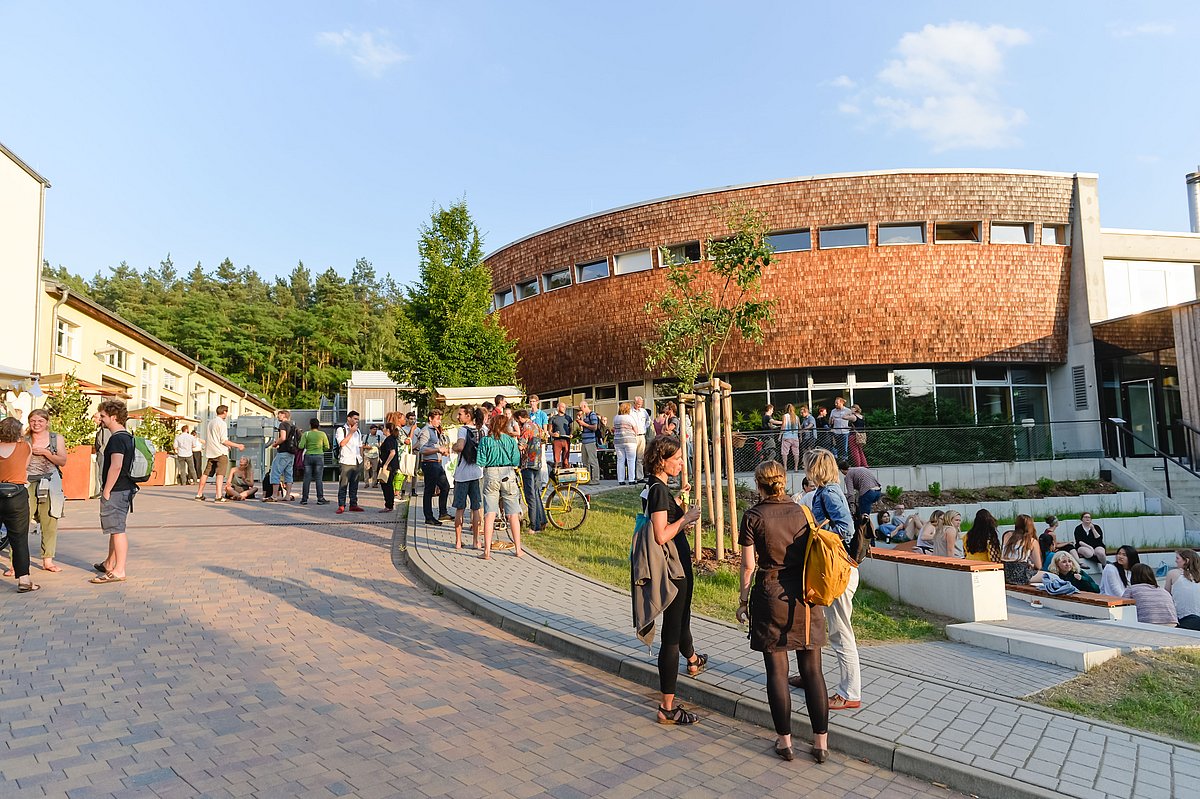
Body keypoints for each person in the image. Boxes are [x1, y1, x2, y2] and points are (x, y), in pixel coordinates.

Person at [737, 460, 829, 763]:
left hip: (771, 595)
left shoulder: (752, 516)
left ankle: (785, 742)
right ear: (784, 480)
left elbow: (749, 565)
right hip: (805, 596)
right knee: (813, 671)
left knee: (777, 672)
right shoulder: (803, 511)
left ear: (759, 484)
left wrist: (742, 599)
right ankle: (820, 744)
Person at [638, 435, 704, 724]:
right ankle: (667, 707)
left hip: (675, 566)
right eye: (676, 458)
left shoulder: (656, 488)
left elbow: (657, 514)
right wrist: (687, 517)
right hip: (673, 570)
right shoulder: (658, 491)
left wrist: (676, 501)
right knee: (672, 635)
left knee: (679, 625)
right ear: (661, 460)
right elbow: (661, 533)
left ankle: (692, 661)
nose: (681, 462)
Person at [792, 448, 860, 711]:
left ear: (816, 469)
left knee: (841, 631)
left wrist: (817, 531)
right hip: (830, 569)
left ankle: (849, 693)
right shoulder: (824, 491)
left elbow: (846, 528)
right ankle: (811, 676)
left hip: (837, 571)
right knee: (821, 625)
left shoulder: (830, 492)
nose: (805, 470)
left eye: (809, 466)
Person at [92, 400, 136, 585]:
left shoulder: (117, 438)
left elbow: (116, 466)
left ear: (113, 417)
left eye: (102, 416)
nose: (100, 419)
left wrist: (107, 490)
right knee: (114, 528)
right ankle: (110, 563)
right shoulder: (128, 436)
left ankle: (119, 570)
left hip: (117, 490)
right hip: (126, 488)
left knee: (118, 530)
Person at [24, 408, 67, 573]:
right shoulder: (24, 439)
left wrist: (45, 453)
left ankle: (48, 560)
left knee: (50, 520)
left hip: (50, 481)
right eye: (33, 421)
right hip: (27, 482)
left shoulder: (56, 439)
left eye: (40, 421)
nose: (36, 424)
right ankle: (16, 562)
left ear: (47, 422)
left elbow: (62, 461)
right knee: (21, 521)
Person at [478, 412, 523, 560]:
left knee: (489, 514)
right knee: (512, 514)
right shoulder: (510, 441)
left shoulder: (485, 441)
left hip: (491, 474)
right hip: (507, 473)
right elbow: (516, 460)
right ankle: (518, 549)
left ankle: (487, 552)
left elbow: (481, 461)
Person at [0, 416, 38, 592]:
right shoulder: (25, 447)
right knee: (19, 539)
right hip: (16, 496)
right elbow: (25, 466)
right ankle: (24, 580)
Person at [195, 405, 245, 503]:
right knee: (220, 474)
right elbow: (223, 440)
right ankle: (218, 496)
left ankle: (199, 494)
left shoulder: (211, 423)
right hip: (220, 453)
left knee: (206, 473)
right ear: (225, 412)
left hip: (211, 452)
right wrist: (237, 445)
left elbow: (213, 438)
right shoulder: (221, 424)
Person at [451, 406, 484, 548]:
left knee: (460, 508)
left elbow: (460, 447)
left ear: (468, 416)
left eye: (460, 414)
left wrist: (452, 447)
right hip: (477, 472)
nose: (458, 417)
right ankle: (476, 541)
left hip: (462, 474)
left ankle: (458, 541)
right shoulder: (483, 430)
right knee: (476, 508)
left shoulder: (463, 430)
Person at [415, 410, 451, 525]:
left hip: (436, 462)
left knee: (445, 486)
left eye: (440, 419)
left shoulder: (435, 431)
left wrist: (442, 452)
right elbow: (422, 449)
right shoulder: (426, 431)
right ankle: (429, 517)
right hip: (430, 463)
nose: (439, 422)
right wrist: (437, 450)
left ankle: (443, 512)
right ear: (430, 419)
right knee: (429, 490)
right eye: (437, 419)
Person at [516, 409, 546, 534]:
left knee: (530, 496)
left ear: (520, 418)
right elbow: (544, 439)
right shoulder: (537, 426)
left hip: (528, 463)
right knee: (536, 493)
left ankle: (534, 526)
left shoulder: (526, 427)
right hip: (537, 462)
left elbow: (521, 445)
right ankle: (542, 520)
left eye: (518, 420)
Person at [335, 411, 366, 514]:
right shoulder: (341, 430)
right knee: (343, 484)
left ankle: (353, 504)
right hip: (346, 460)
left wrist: (361, 458)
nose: (356, 421)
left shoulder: (358, 431)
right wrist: (351, 432)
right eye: (354, 419)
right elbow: (342, 443)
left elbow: (360, 445)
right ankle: (341, 505)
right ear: (348, 418)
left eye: (357, 419)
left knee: (354, 484)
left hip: (356, 460)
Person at [1000, 514, 1043, 585]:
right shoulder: (1032, 541)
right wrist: (1031, 565)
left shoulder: (1006, 535)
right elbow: (1038, 566)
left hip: (1005, 574)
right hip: (1021, 574)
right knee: (1052, 577)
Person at [265, 409, 298, 502]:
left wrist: (276, 443)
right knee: (288, 474)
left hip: (283, 452)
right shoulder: (293, 425)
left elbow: (283, 437)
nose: (277, 417)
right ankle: (287, 496)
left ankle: (274, 495)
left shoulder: (283, 424)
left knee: (275, 472)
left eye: (279, 415)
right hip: (291, 453)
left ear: (283, 415)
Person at [1164, 549, 1200, 630]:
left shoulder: (1173, 574)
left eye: (1177, 558)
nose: (1175, 561)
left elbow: (1166, 596)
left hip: (1183, 619)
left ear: (1186, 561)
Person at [298, 418, 329, 505]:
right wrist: (320, 449)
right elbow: (327, 446)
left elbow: (300, 446)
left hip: (308, 456)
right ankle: (320, 498)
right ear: (318, 425)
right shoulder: (322, 434)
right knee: (318, 479)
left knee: (307, 478)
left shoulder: (306, 434)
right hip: (319, 456)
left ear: (310, 425)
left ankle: (304, 499)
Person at [612, 401, 640, 486]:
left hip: (618, 441)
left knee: (620, 460)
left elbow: (614, 428)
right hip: (630, 441)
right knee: (631, 460)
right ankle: (631, 479)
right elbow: (636, 430)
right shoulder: (629, 418)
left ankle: (621, 480)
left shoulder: (616, 418)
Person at [377, 422, 399, 513]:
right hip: (392, 465)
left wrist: (385, 464)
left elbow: (392, 452)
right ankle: (389, 504)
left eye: (385, 428)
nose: (383, 430)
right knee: (387, 485)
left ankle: (389, 505)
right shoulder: (392, 439)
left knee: (387, 485)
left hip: (389, 466)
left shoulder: (389, 439)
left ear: (388, 430)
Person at [631, 396, 652, 481]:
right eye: (638, 404)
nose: (639, 406)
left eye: (641, 404)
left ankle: (639, 476)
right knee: (632, 457)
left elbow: (648, 421)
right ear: (634, 403)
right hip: (633, 436)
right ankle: (631, 477)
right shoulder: (630, 412)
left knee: (640, 457)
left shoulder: (643, 412)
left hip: (642, 435)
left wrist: (645, 427)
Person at [578, 400, 600, 482]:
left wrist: (584, 424)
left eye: (581, 408)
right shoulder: (585, 416)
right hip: (584, 441)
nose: (580, 410)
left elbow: (594, 427)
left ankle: (595, 479)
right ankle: (586, 479)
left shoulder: (592, 415)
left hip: (590, 441)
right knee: (585, 461)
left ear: (584, 406)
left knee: (593, 460)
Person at [93, 411, 112, 498]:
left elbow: (105, 443)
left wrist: (101, 451)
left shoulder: (106, 429)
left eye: (95, 418)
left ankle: (103, 490)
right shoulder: (102, 429)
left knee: (101, 473)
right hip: (101, 453)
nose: (94, 420)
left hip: (103, 454)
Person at [548, 401, 573, 469]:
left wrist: (571, 434)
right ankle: (557, 474)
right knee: (557, 461)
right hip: (557, 441)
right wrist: (553, 434)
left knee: (566, 461)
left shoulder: (568, 418)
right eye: (562, 407)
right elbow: (549, 431)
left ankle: (566, 475)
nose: (564, 408)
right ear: (558, 408)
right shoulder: (553, 418)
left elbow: (571, 429)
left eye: (565, 407)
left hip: (566, 440)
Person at [829, 397, 854, 461]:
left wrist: (851, 426)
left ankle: (844, 461)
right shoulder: (833, 411)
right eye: (835, 403)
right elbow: (829, 422)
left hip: (845, 432)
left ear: (841, 403)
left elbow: (853, 418)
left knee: (844, 448)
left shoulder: (847, 410)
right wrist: (831, 421)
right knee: (835, 447)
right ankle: (836, 460)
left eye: (837, 403)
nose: (835, 404)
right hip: (836, 432)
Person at [780, 404, 801, 472]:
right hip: (795, 437)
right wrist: (800, 436)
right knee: (796, 453)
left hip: (786, 436)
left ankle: (785, 467)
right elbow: (799, 427)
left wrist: (780, 436)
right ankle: (796, 468)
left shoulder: (785, 416)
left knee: (785, 452)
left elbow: (783, 426)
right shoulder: (796, 417)